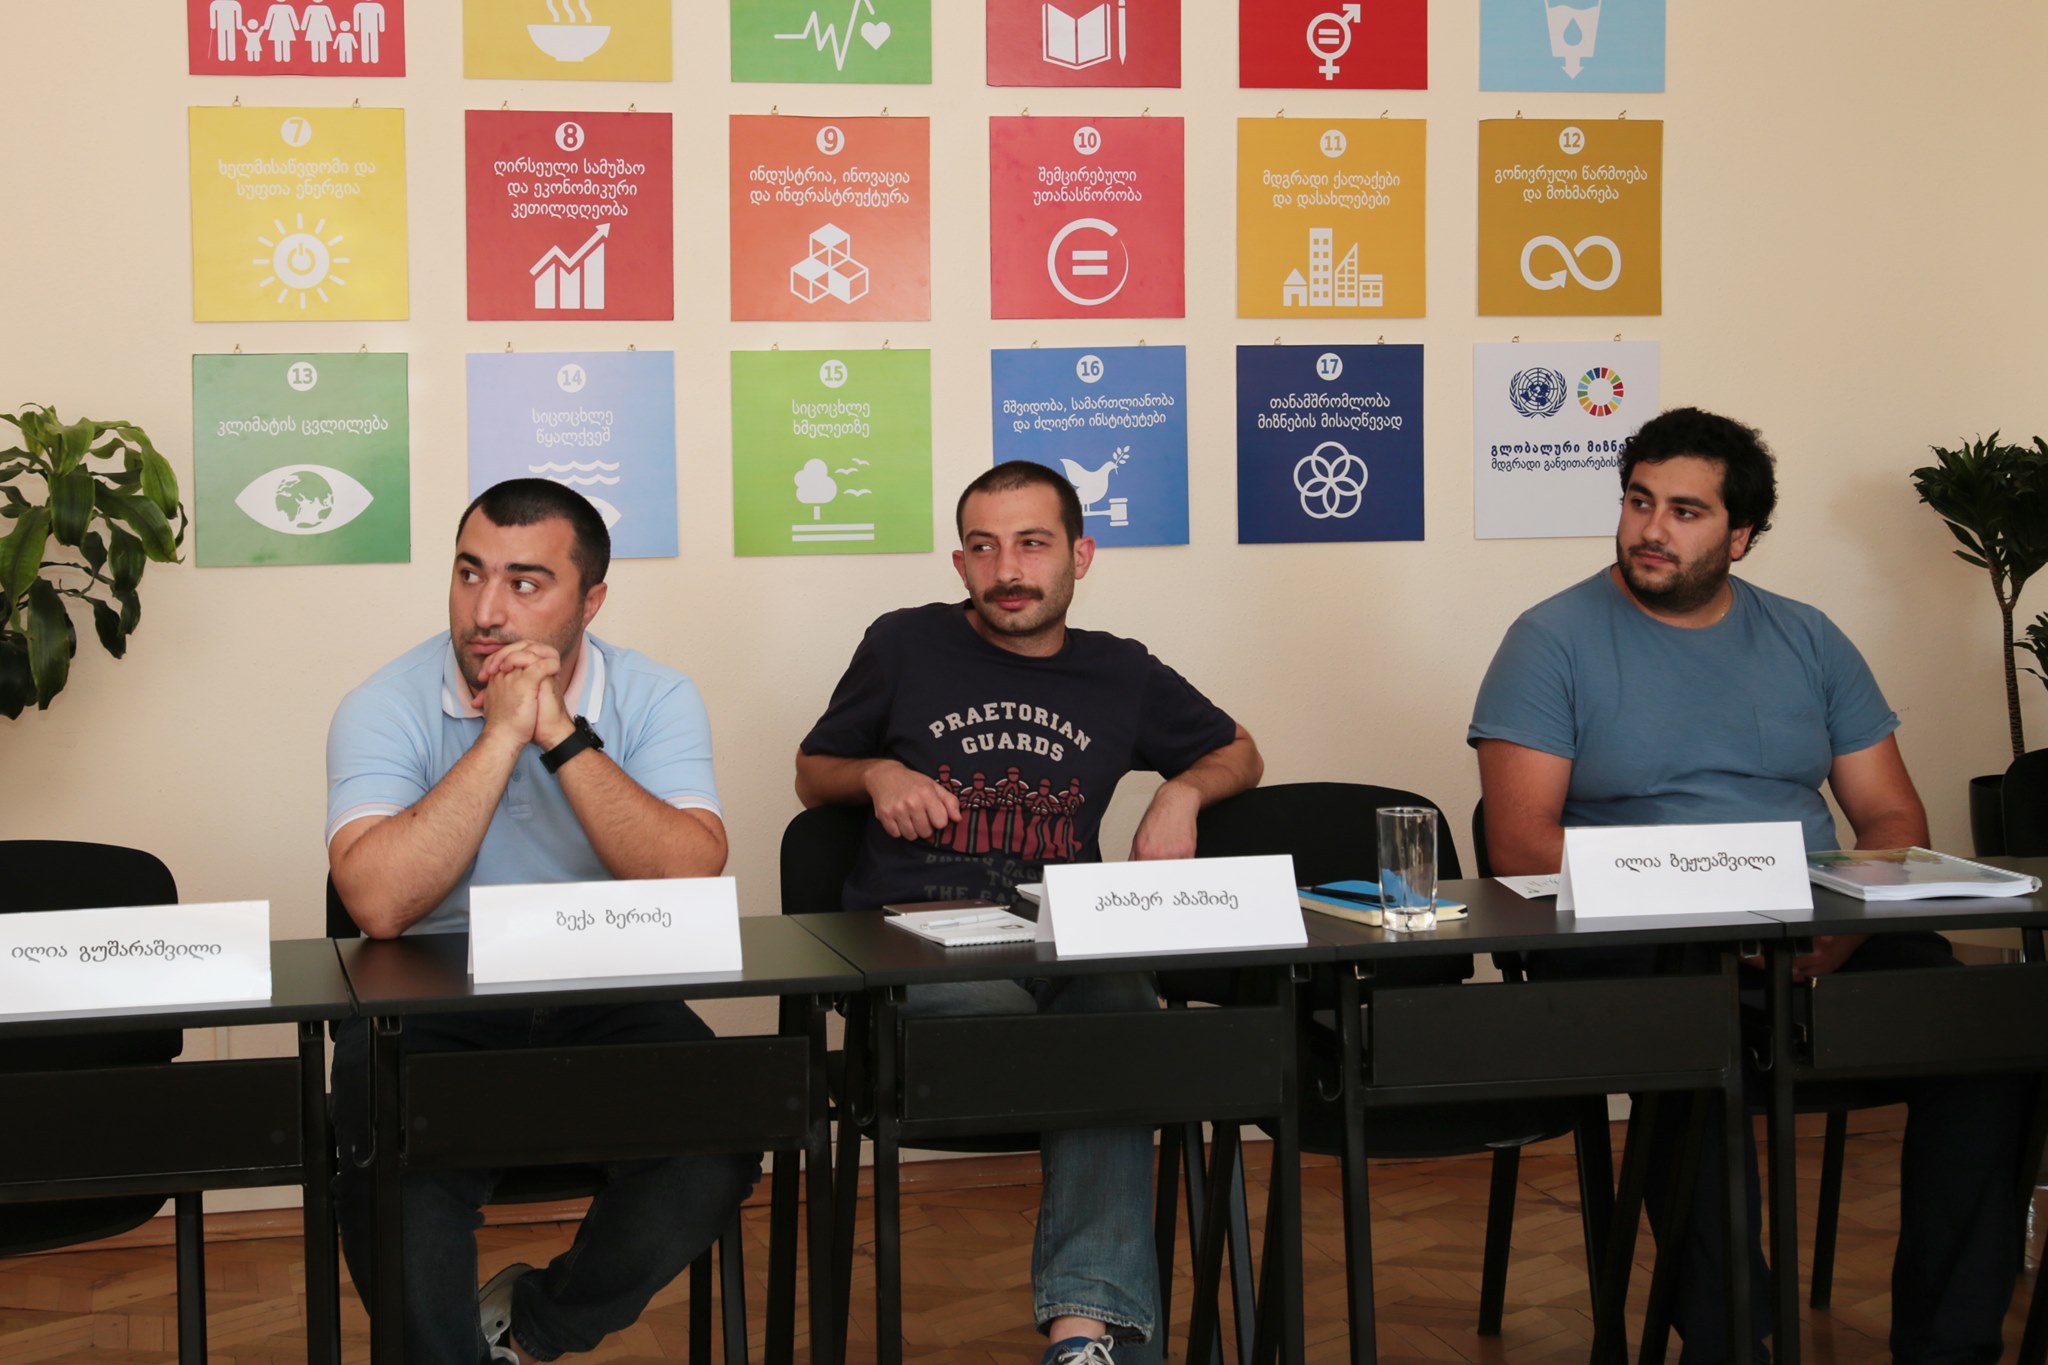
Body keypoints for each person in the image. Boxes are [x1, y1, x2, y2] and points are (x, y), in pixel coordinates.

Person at [1469, 407, 2030, 1365]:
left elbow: (1893, 819)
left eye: (1685, 511)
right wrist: (1706, 909)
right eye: (1639, 501)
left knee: (1985, 1037)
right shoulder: (1549, 638)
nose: (1651, 528)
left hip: (1811, 930)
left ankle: (1950, 1347)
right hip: (1637, 943)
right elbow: (1522, 845)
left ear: (1740, 535)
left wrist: (1844, 931)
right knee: (1692, 1050)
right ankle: (1735, 1340)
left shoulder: (1807, 637)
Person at [795, 460, 1263, 1365]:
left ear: (1079, 555)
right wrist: (877, 773)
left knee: (1122, 1009)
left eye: (1032, 544)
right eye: (984, 547)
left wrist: (1182, 792)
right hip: (918, 957)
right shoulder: (903, 644)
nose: (1008, 569)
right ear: (961, 563)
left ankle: (1082, 1339)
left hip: (1065, 946)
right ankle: (1098, 1331)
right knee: (1105, 1050)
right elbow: (814, 773)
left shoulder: (1120, 670)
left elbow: (1240, 750)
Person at [326, 479, 755, 1365]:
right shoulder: (383, 701)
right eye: (469, 573)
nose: (486, 610)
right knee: (386, 1165)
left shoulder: (656, 694)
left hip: (609, 990)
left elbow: (688, 872)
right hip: (431, 999)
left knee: (720, 1134)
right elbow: (377, 902)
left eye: (525, 582)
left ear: (590, 601)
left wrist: (560, 733)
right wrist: (498, 736)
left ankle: (526, 1333)